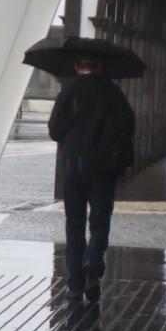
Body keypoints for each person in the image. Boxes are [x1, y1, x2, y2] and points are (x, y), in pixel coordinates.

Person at [48, 56, 135, 303]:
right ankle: (93, 261)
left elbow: (55, 130)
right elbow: (128, 123)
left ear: (77, 66)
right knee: (99, 222)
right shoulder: (112, 92)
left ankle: (75, 285)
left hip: (74, 169)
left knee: (74, 225)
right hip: (103, 169)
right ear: (100, 66)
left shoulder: (69, 92)